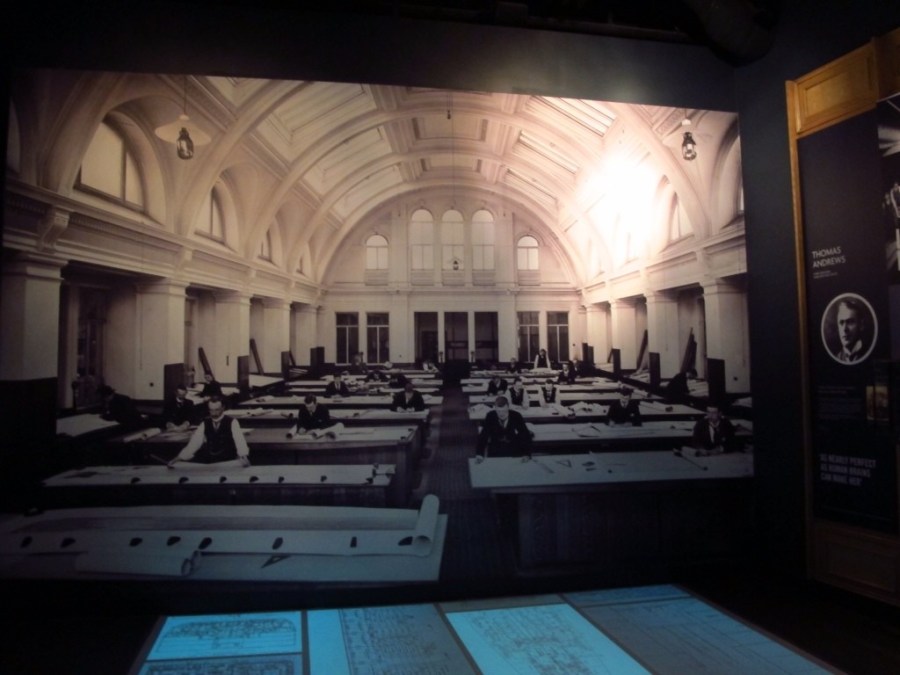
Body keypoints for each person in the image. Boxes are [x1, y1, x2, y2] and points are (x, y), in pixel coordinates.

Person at [168, 396, 250, 466]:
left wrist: (243, 456)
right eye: (211, 410)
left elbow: (239, 441)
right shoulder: (205, 423)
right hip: (210, 460)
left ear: (223, 408)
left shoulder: (232, 422)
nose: (213, 413)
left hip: (228, 460)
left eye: (217, 410)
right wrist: (179, 457)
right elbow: (194, 443)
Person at [833, 297, 869, 363]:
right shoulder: (836, 358)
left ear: (861, 325)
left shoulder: (869, 352)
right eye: (841, 323)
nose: (844, 329)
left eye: (850, 322)